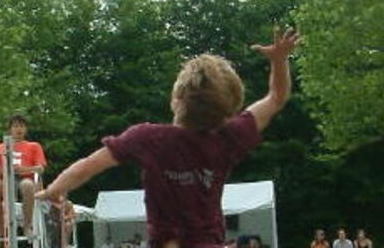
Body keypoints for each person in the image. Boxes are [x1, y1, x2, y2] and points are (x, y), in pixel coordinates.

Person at [37, 28, 300, 248]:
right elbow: (276, 98)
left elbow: (87, 166)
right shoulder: (227, 138)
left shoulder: (149, 138)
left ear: (176, 99)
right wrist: (279, 59)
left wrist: (54, 190)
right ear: (227, 112)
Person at [0, 114, 47, 240]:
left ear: (26, 129)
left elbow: (40, 168)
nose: (18, 129)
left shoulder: (34, 146)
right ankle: (0, 228)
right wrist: (3, 170)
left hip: (27, 178)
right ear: (10, 129)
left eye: (21, 126)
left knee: (27, 185)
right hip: (5, 178)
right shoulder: (0, 147)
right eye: (15, 126)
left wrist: (23, 170)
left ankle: (27, 227)